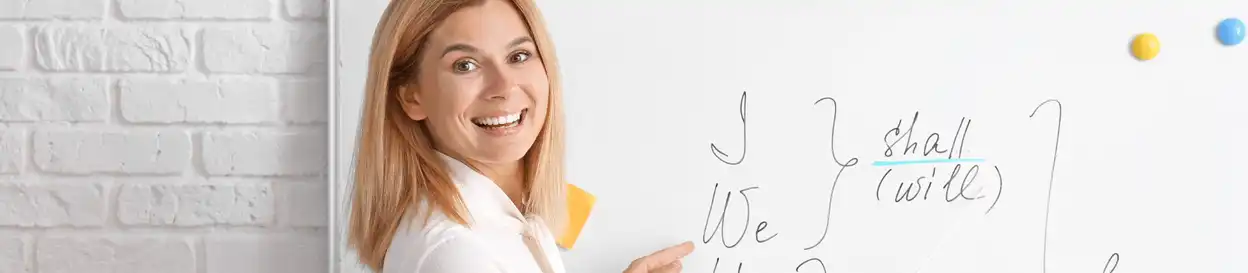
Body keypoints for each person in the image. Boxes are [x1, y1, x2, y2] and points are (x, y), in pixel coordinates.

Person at [347, 0, 695, 272]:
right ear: (411, 96)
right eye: (465, 65)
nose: (504, 87)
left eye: (518, 56)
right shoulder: (455, 252)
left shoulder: (506, 224)